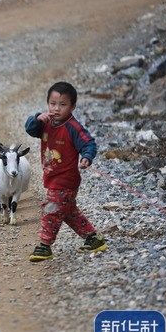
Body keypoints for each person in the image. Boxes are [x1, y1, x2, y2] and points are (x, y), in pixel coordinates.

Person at [25, 81, 107, 262]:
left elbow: (88, 142)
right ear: (47, 104)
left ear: (72, 107)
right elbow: (30, 129)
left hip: (66, 180)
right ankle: (93, 239)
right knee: (68, 211)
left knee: (52, 209)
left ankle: (44, 246)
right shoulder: (45, 123)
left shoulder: (73, 127)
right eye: (53, 104)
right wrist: (37, 118)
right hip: (51, 177)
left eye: (63, 105)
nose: (56, 109)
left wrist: (86, 156)